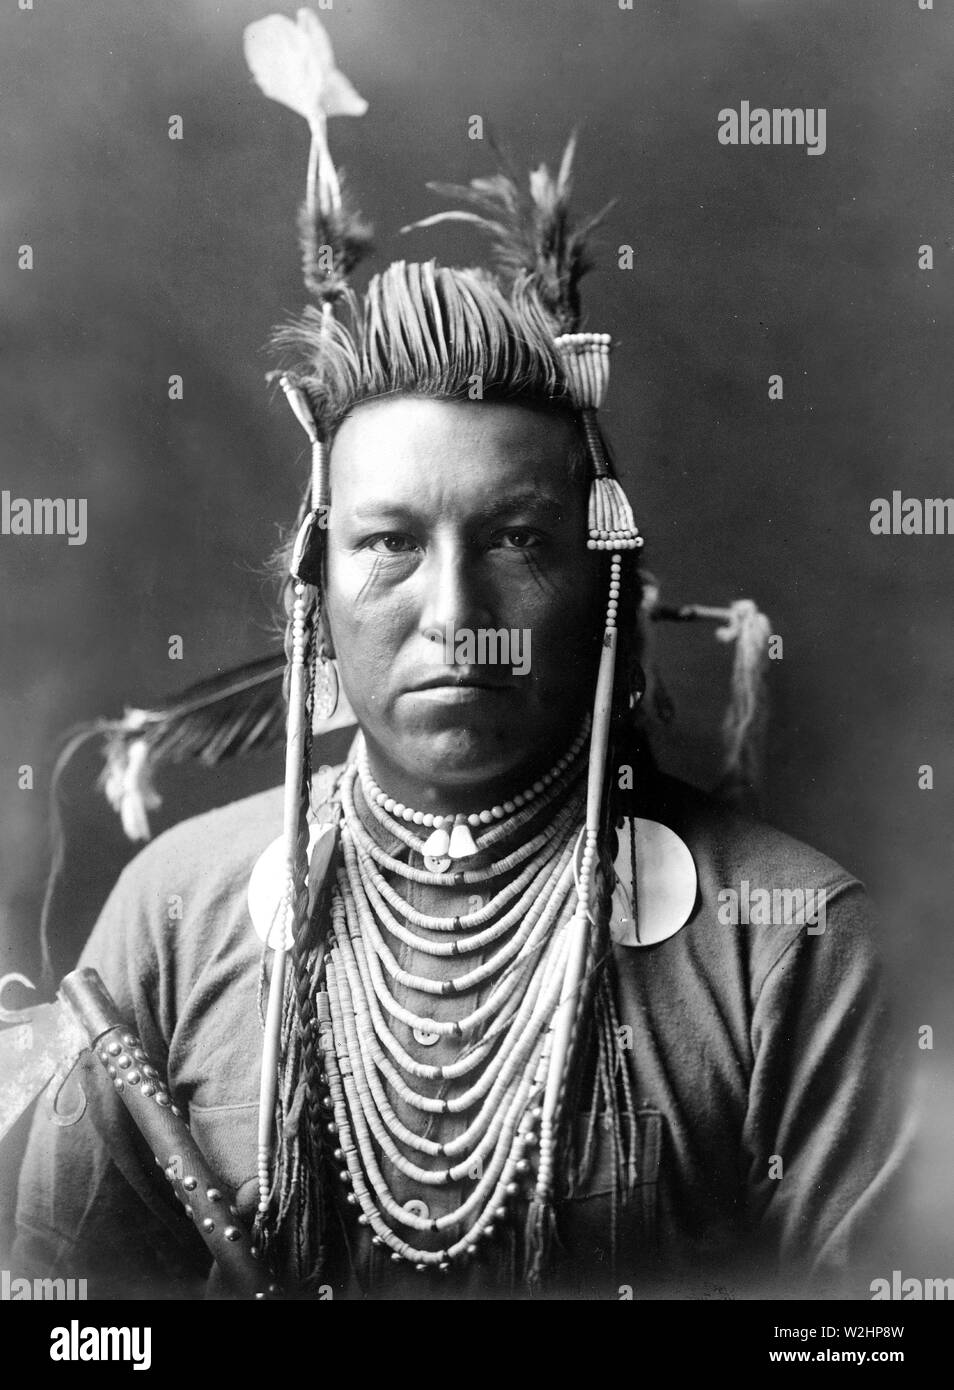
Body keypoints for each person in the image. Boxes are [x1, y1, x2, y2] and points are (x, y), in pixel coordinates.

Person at [12, 12, 909, 1301]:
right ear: (311, 590)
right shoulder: (177, 913)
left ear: (608, 583)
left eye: (518, 538)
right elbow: (65, 1329)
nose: (453, 609)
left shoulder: (791, 946)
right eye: (386, 542)